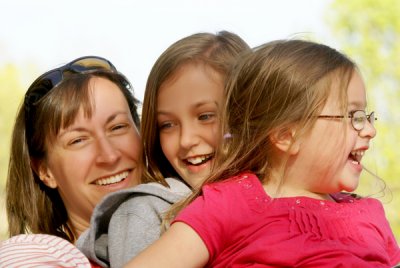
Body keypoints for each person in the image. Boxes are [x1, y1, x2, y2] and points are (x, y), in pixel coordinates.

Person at [125, 39, 400, 267]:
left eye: (365, 115)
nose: (369, 130)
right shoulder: (228, 204)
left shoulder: (370, 214)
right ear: (287, 135)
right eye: (352, 116)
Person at [76, 31, 250, 267]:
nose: (186, 140)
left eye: (206, 116)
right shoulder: (146, 212)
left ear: (248, 113)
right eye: (167, 125)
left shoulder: (296, 194)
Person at [5, 56, 142, 245]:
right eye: (78, 140)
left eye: (117, 127)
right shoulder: (39, 260)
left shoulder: (193, 223)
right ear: (45, 171)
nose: (110, 156)